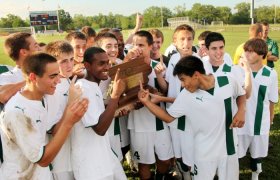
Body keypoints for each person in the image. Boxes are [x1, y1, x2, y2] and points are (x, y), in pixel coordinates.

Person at [138, 55, 246, 180]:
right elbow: (168, 117)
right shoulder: (186, 95)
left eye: (183, 79)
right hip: (204, 152)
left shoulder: (227, 80)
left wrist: (241, 111)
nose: (183, 85)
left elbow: (241, 95)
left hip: (229, 148)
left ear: (196, 75)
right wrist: (147, 102)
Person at [0, 52, 88, 179]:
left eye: (58, 74)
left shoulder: (42, 99)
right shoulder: (17, 112)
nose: (58, 80)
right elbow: (43, 159)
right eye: (52, 76)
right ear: (33, 77)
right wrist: (69, 122)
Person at [70, 47, 127, 179]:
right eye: (101, 63)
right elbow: (100, 129)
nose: (106, 67)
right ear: (87, 66)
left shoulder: (93, 86)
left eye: (108, 63)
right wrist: (115, 96)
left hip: (103, 154)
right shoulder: (82, 88)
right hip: (90, 163)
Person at [125, 30, 173, 180]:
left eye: (141, 45)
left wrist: (159, 81)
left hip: (159, 121)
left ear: (150, 46)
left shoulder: (159, 66)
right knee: (144, 164)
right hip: (139, 123)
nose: (136, 48)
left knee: (164, 160)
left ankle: (160, 176)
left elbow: (167, 91)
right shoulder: (128, 67)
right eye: (134, 44)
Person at [161, 24, 199, 180]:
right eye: (182, 39)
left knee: (192, 148)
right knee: (178, 147)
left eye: (189, 39)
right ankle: (184, 173)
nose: (186, 43)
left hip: (192, 115)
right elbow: (169, 85)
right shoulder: (173, 59)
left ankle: (193, 174)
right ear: (174, 42)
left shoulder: (199, 61)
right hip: (174, 113)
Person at [237, 38, 278, 180]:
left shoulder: (270, 73)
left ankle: (255, 176)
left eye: (251, 51)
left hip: (260, 122)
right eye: (246, 51)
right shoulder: (238, 71)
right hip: (240, 122)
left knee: (257, 153)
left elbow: (272, 99)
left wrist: (271, 117)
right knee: (235, 154)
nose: (246, 54)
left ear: (261, 54)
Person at [94, 32, 127, 162]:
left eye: (116, 46)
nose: (113, 50)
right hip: (103, 126)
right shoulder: (92, 72)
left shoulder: (120, 64)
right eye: (108, 46)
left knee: (120, 155)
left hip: (120, 122)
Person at [45, 40, 76, 180]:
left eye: (71, 59)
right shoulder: (52, 90)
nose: (69, 65)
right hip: (61, 159)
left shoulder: (71, 80)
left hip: (75, 151)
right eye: (63, 61)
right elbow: (54, 130)